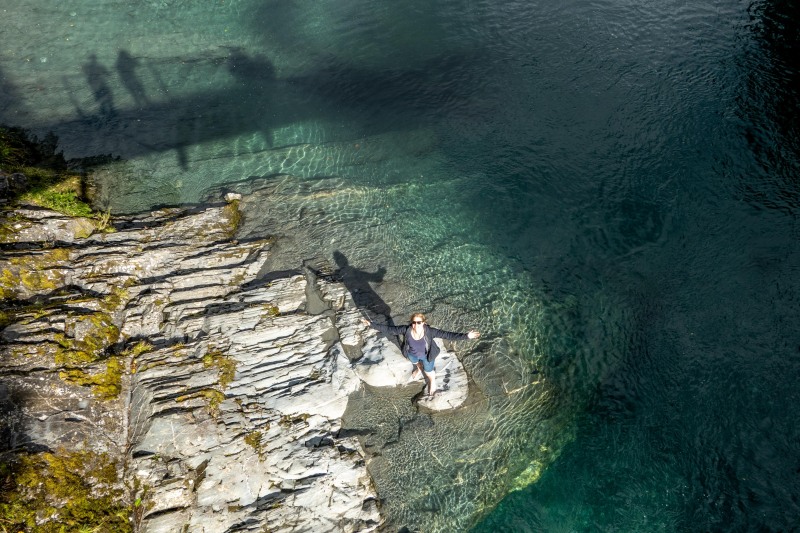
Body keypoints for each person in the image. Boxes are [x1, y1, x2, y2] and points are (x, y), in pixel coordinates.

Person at [361, 313, 480, 398]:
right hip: (412, 354)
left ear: (423, 323)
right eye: (413, 322)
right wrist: (371, 324)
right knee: (415, 362)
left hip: (427, 356)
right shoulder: (406, 330)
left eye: (419, 322)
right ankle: (418, 368)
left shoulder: (430, 331)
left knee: (429, 371)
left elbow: (448, 335)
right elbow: (388, 329)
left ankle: (432, 383)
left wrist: (466, 336)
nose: (416, 325)